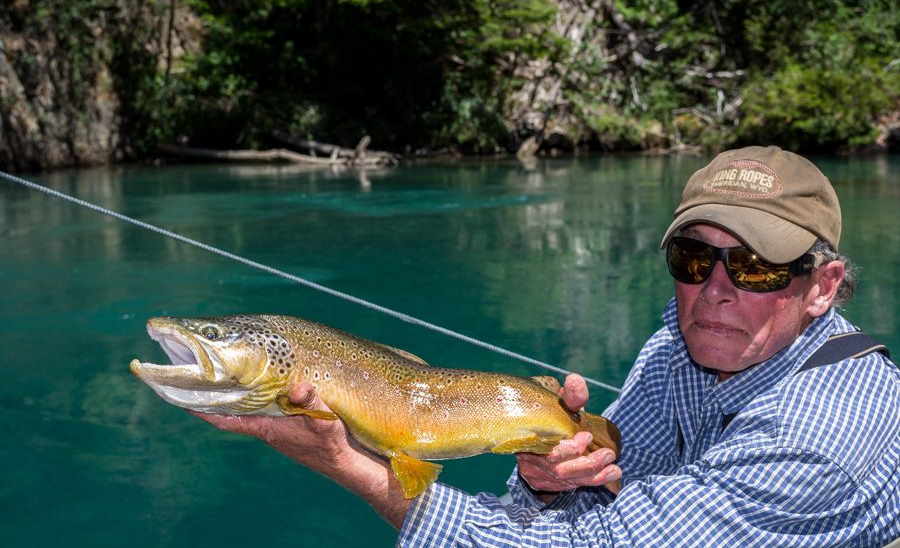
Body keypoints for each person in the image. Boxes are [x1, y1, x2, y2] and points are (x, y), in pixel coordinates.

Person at [194, 145, 900, 547]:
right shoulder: (676, 350)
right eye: (693, 257)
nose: (714, 290)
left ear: (824, 286)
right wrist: (548, 477)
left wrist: (358, 470)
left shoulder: (820, 439)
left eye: (754, 267)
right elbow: (574, 510)